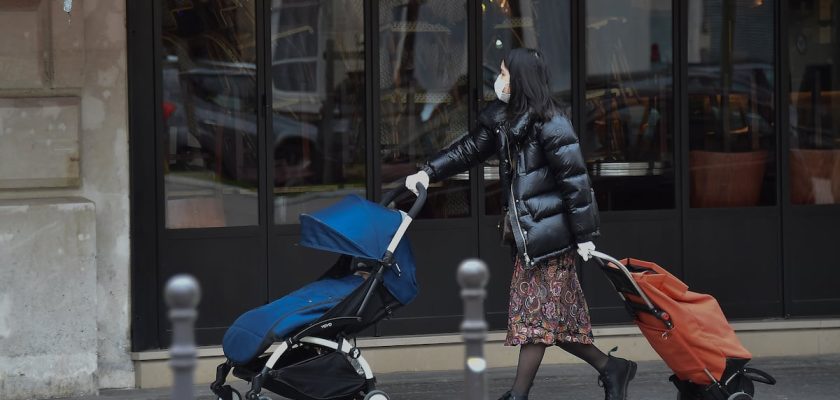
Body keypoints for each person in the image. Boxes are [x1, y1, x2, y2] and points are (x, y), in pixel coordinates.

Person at [404, 48, 637, 400]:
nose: (499, 79)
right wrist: (428, 171)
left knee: (534, 320)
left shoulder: (552, 122)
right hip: (529, 237)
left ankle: (518, 395)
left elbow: (575, 180)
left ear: (521, 78)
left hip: (550, 241)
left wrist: (586, 234)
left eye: (504, 72)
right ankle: (612, 368)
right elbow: (469, 149)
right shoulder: (503, 119)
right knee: (556, 324)